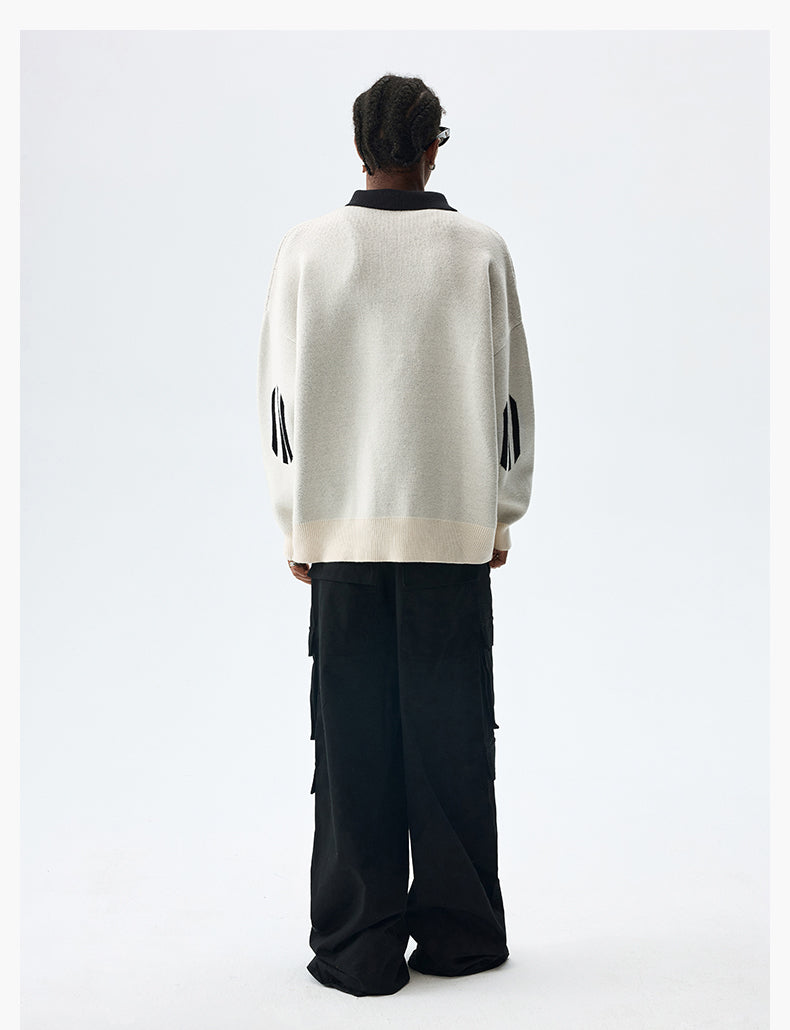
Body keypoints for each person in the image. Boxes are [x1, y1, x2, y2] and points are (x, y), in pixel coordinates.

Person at [257, 72, 535, 997]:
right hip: (451, 530)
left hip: (340, 531)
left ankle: (357, 948)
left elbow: (280, 398)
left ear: (358, 146)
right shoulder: (479, 247)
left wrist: (296, 520)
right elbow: (511, 398)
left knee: (350, 751)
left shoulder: (308, 247)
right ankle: (460, 938)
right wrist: (500, 511)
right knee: (453, 742)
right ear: (433, 147)